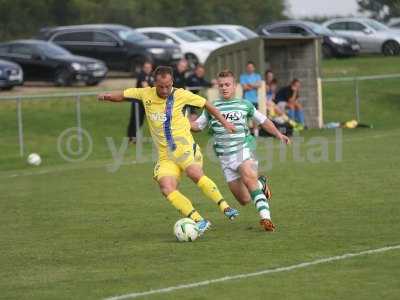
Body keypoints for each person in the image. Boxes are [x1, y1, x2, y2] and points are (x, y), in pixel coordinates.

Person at [98, 66, 239, 236]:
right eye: (161, 86)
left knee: (194, 173)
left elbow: (207, 104)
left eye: (168, 86)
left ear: (172, 82)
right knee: (166, 187)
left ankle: (225, 207)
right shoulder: (145, 94)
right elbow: (122, 96)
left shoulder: (181, 94)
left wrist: (225, 123)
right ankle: (199, 220)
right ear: (154, 83)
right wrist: (106, 96)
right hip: (166, 156)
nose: (165, 90)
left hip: (185, 147)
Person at [191, 70, 291, 231]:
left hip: (243, 150)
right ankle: (261, 183)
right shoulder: (211, 107)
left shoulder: (245, 104)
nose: (224, 88)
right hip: (224, 158)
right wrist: (184, 123)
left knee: (249, 179)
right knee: (244, 199)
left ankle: (266, 219)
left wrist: (279, 134)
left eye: (227, 84)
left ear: (235, 86)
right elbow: (198, 126)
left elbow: (264, 121)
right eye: (221, 85)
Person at [127, 61, 154, 143]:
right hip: (138, 101)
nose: (147, 69)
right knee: (135, 119)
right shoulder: (141, 75)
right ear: (143, 68)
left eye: (149, 68)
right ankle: (131, 138)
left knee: (141, 120)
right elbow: (145, 86)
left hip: (146, 102)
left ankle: (133, 137)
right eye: (146, 67)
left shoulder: (152, 76)